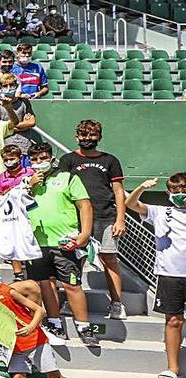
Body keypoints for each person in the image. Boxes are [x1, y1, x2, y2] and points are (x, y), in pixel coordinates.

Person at [24, 143, 97, 346]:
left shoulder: (68, 177)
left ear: (51, 158)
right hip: (36, 243)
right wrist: (29, 185)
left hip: (65, 241)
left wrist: (85, 234)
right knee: (45, 284)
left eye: (43, 158)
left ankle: (84, 326)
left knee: (72, 284)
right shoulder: (26, 181)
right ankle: (55, 323)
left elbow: (85, 205)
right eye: (35, 159)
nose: (39, 163)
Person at [0, 258, 75, 378]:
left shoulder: (8, 291)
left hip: (35, 341)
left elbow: (40, 310)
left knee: (55, 377)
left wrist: (31, 327)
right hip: (15, 346)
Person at [57, 120, 127, 320]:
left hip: (106, 218)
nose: (88, 139)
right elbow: (61, 188)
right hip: (75, 220)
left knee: (109, 258)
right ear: (76, 137)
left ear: (100, 137)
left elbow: (118, 191)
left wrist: (120, 219)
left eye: (92, 135)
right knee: (73, 260)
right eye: (84, 135)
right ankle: (72, 303)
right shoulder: (68, 160)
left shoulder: (110, 160)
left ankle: (116, 303)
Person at [126, 174, 186, 378]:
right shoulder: (160, 211)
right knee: (173, 320)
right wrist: (141, 187)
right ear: (169, 193)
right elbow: (130, 204)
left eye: (183, 189)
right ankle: (172, 368)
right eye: (175, 190)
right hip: (171, 274)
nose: (180, 194)